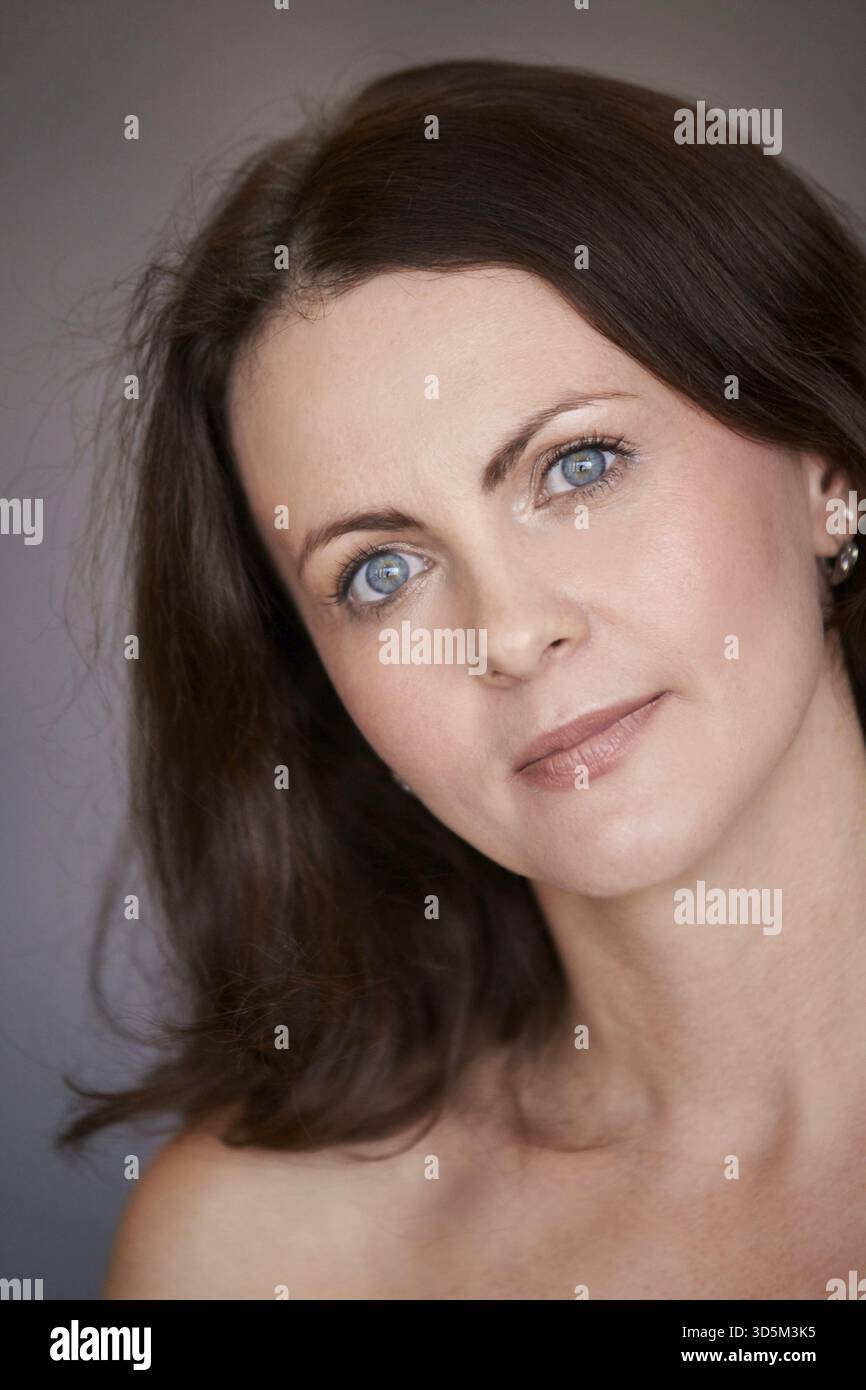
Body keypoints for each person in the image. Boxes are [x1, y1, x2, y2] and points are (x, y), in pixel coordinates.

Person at [61, 59, 866, 1300]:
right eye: (379, 572)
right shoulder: (256, 1258)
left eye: (578, 465)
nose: (507, 633)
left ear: (823, 462)